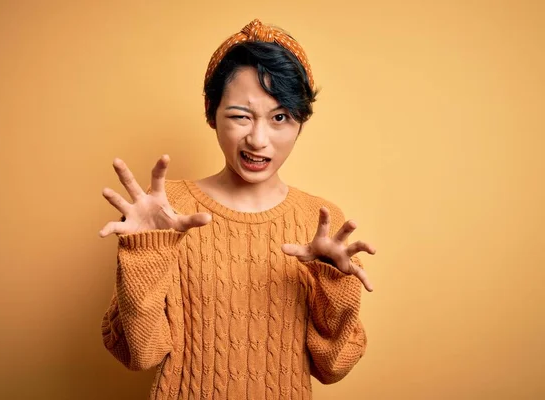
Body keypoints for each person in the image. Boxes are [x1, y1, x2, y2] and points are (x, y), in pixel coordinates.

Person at [98, 18, 376, 400]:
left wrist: (333, 283)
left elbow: (334, 367)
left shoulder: (322, 222)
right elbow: (140, 354)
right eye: (241, 116)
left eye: (280, 117)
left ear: (301, 122)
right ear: (211, 111)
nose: (258, 139)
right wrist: (145, 252)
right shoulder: (168, 209)